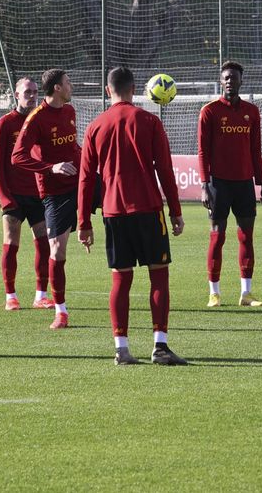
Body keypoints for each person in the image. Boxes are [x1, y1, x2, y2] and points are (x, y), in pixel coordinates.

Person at [77, 67, 186, 365]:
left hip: (113, 212)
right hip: (149, 210)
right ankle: (160, 346)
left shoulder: (95, 126)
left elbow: (86, 179)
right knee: (159, 277)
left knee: (120, 281)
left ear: (107, 90)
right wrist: (175, 211)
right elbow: (165, 170)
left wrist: (83, 222)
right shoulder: (149, 121)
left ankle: (121, 348)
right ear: (135, 89)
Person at [12, 68, 81, 329]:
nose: (71, 85)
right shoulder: (36, 119)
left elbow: (72, 146)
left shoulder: (70, 112)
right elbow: (17, 156)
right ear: (57, 89)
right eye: (68, 82)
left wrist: (86, 159)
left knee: (117, 197)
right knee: (57, 249)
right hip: (55, 192)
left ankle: (90, 228)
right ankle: (60, 311)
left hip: (79, 182)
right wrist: (51, 167)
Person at [197, 62, 262, 308]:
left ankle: (246, 293)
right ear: (221, 81)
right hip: (218, 184)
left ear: (241, 81)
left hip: (244, 184)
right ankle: (214, 293)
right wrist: (204, 184)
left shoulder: (252, 111)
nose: (230, 81)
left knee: (246, 237)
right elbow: (202, 151)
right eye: (226, 78)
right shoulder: (210, 111)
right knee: (217, 237)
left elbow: (255, 150)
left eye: (234, 78)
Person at [0, 77, 52, 311]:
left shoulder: (41, 121)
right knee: (11, 241)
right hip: (13, 195)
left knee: (44, 242)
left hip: (37, 193)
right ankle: (11, 296)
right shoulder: (5, 124)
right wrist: (5, 197)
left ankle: (41, 295)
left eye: (35, 92)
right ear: (16, 95)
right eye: (27, 92)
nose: (32, 95)